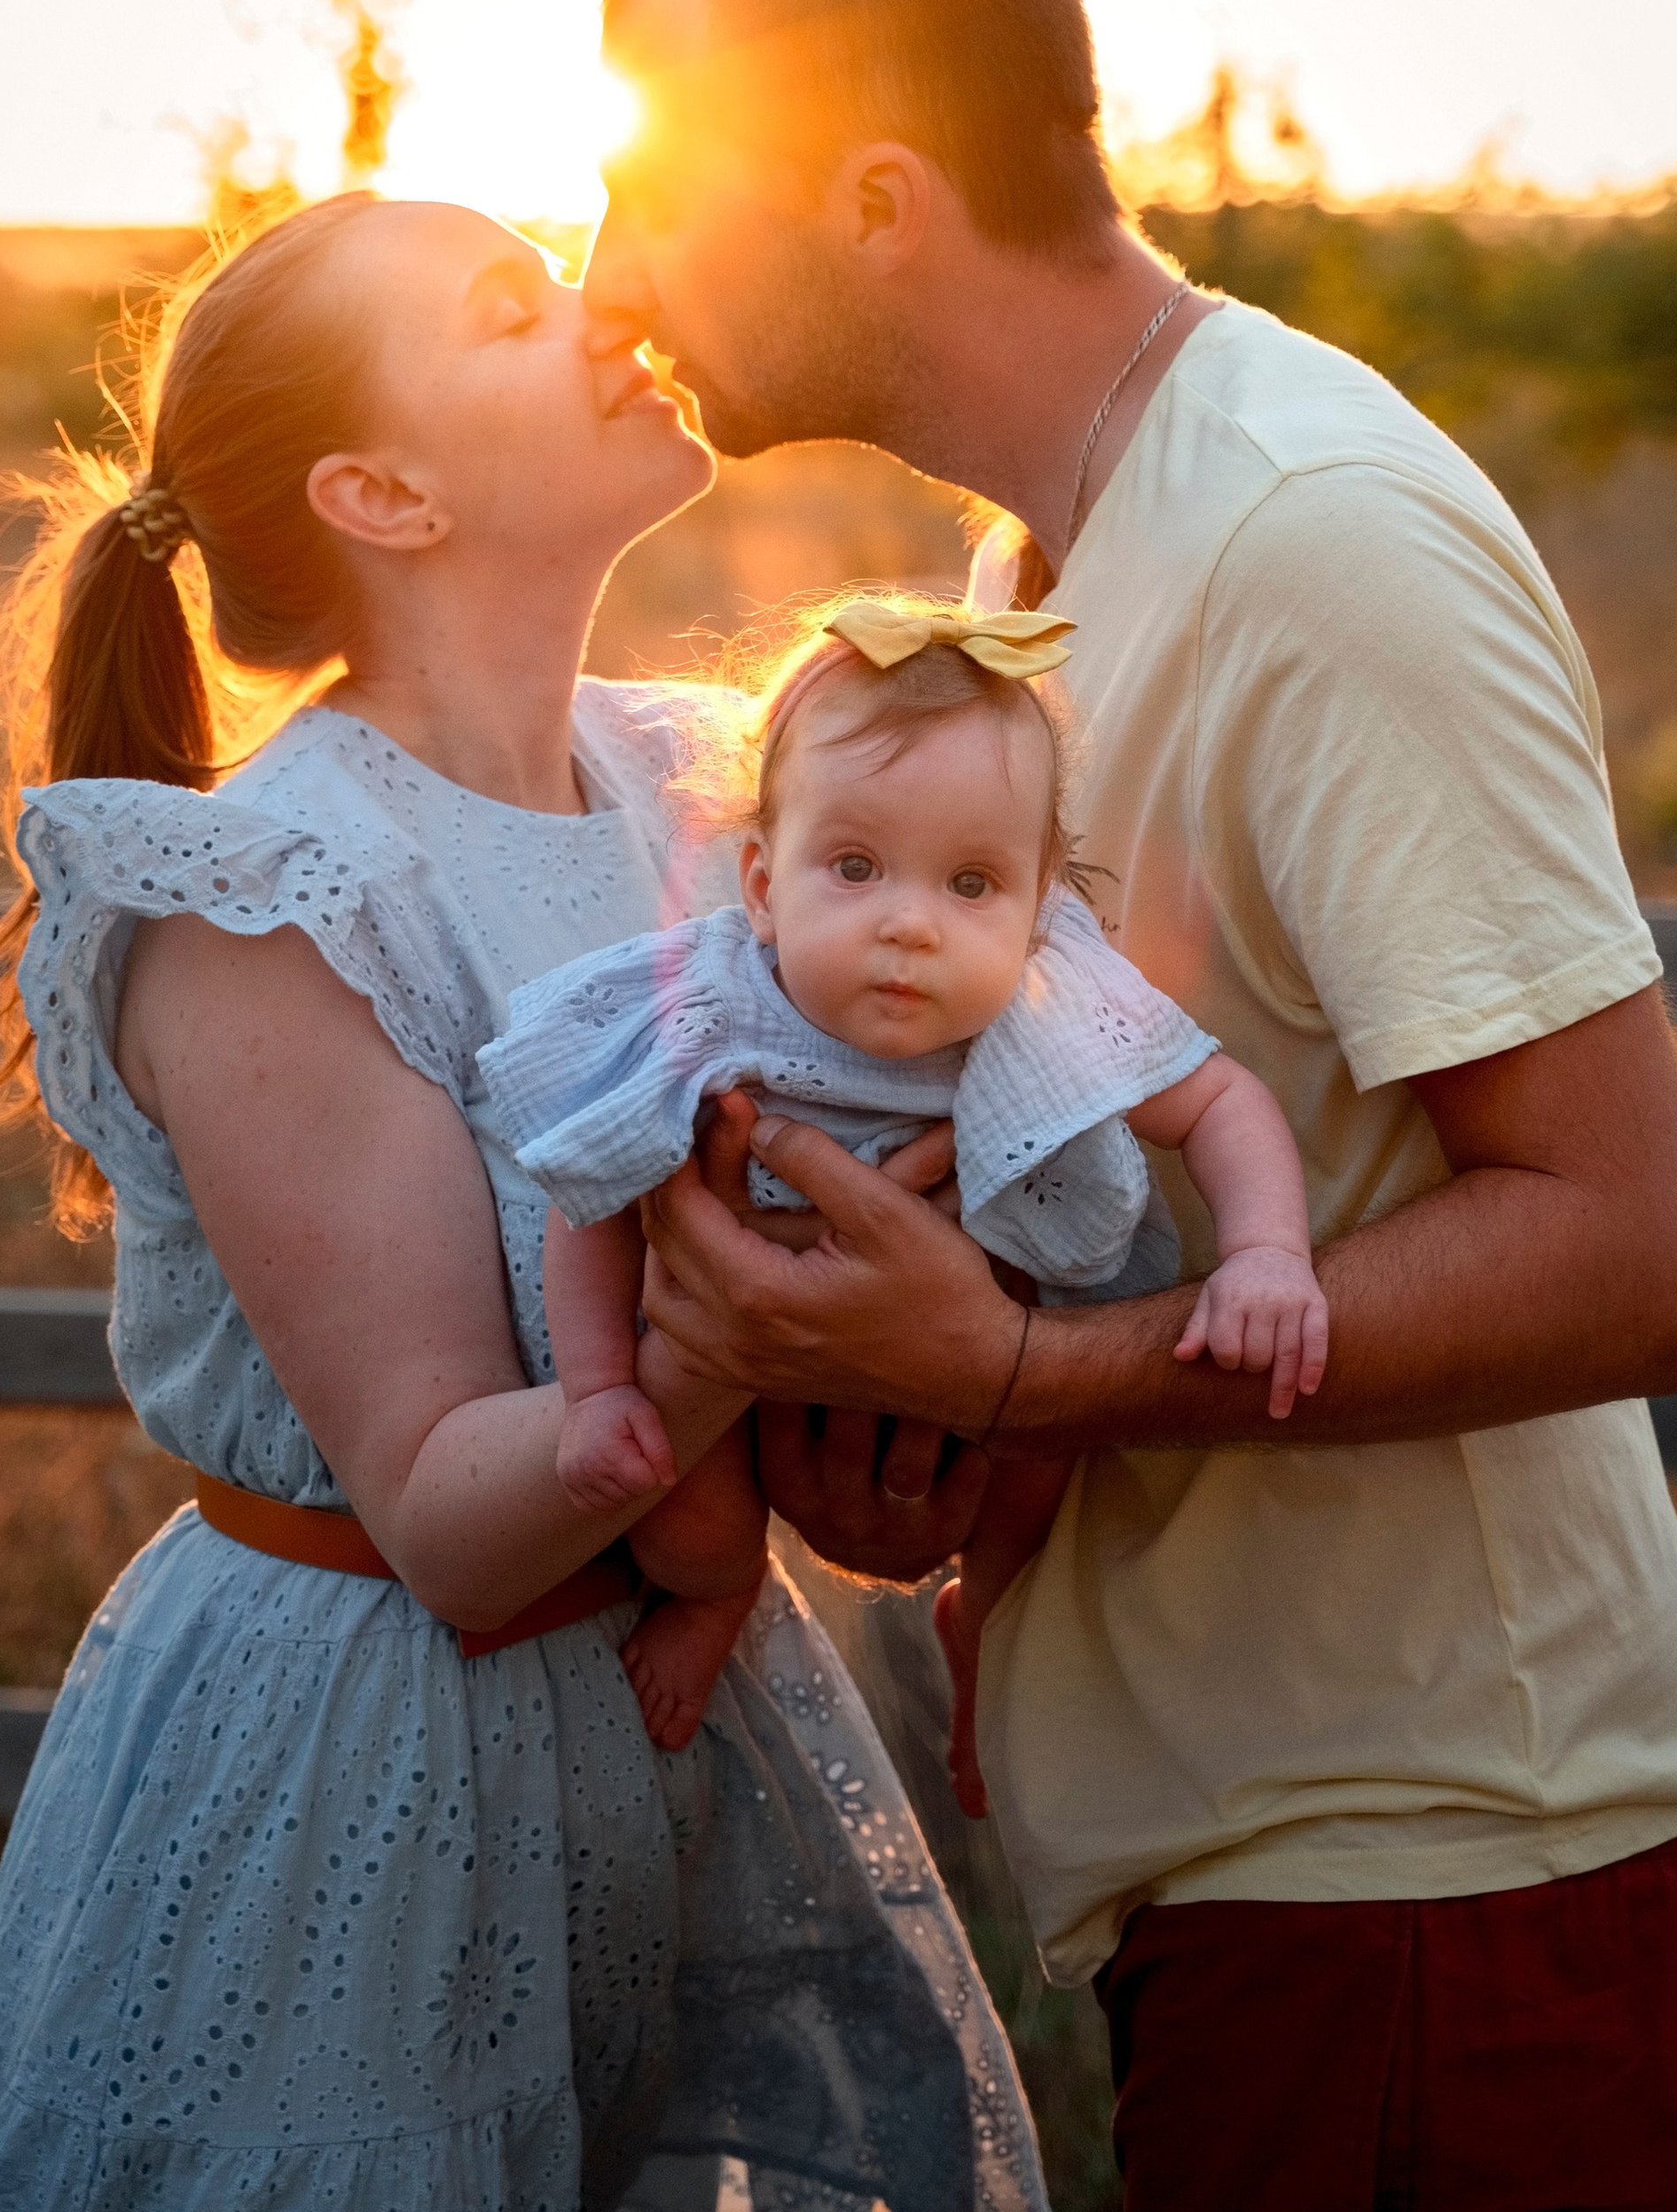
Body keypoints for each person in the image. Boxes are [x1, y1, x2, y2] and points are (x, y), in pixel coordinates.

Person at [581, 0, 1677, 2212]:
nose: (607, 274)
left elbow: (1632, 1256)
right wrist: (907, 1422)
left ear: (871, 195)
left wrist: (1035, 1371)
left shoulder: (1312, 537)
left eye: (649, 190)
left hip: (1479, 1904)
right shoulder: (1031, 589)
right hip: (1281, 1910)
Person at [0, 190, 1049, 2212]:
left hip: (656, 1731)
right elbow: (444, 1513)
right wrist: (740, 1333)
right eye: (513, 309)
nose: (606, 306)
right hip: (366, 1761)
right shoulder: (271, 890)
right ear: (383, 491)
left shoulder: (695, 782)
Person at [478, 589, 1323, 1769]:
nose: (910, 926)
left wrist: (1268, 1256)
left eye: (970, 884)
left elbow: (1222, 1099)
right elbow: (596, 1196)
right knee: (685, 1517)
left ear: (1043, 909)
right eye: (858, 867)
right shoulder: (709, 1007)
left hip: (990, 1358)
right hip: (746, 1375)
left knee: (1045, 1476)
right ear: (765, 885)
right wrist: (603, 1389)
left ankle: (990, 1618)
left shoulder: (1050, 1000)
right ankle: (721, 1594)